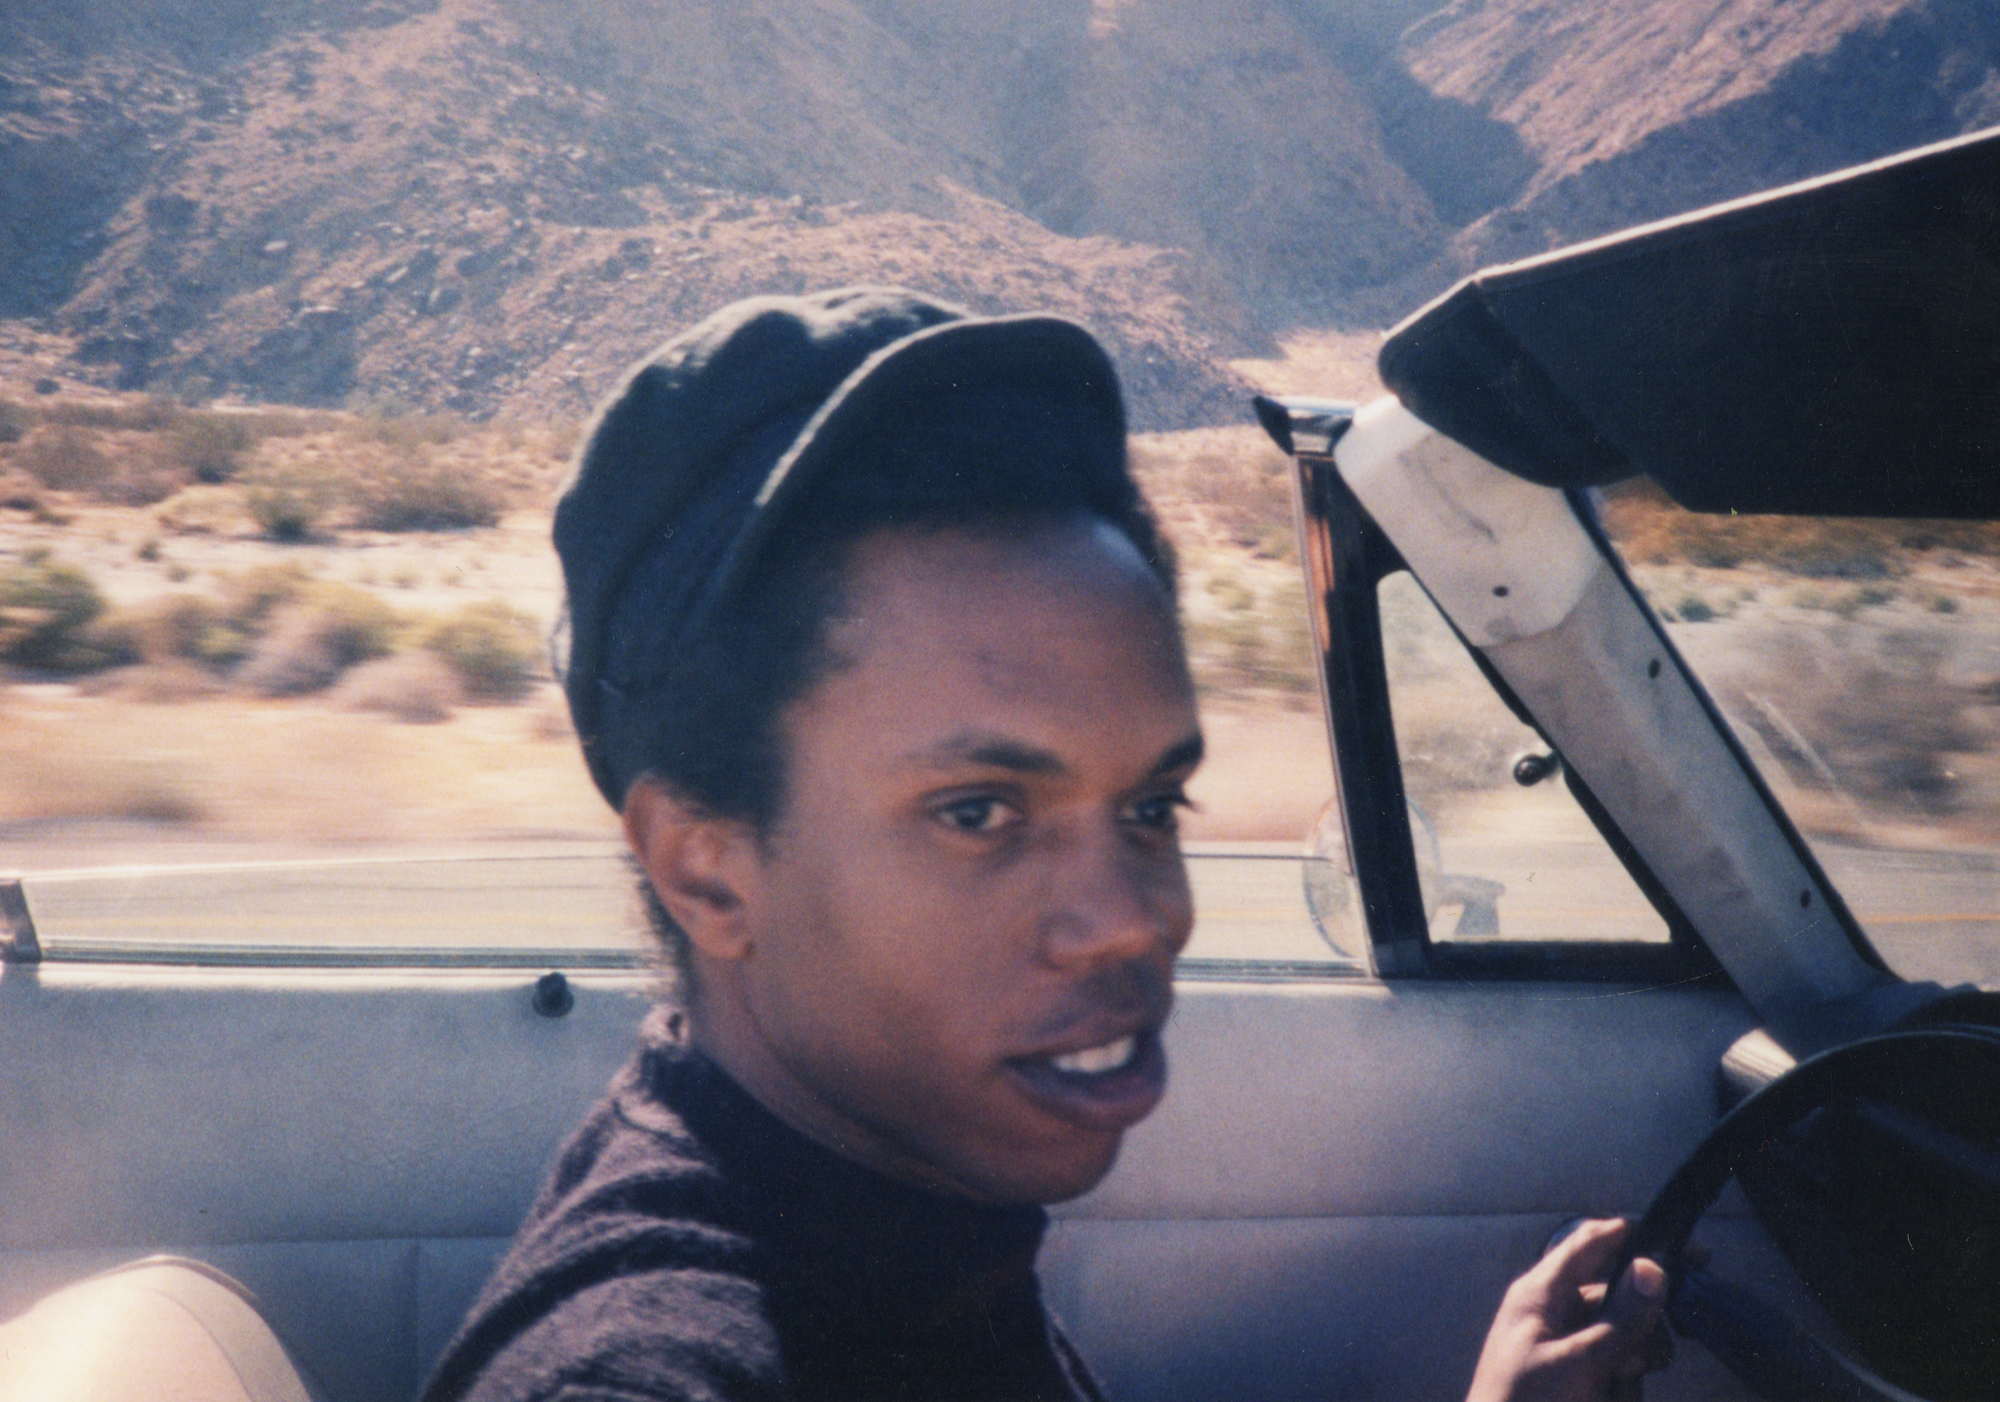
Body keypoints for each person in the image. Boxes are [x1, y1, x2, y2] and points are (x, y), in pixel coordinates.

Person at [418, 288, 1670, 1402]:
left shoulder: (890, 1207)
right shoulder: (656, 1365)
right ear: (705, 867)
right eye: (978, 814)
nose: (1133, 917)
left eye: (1148, 806)